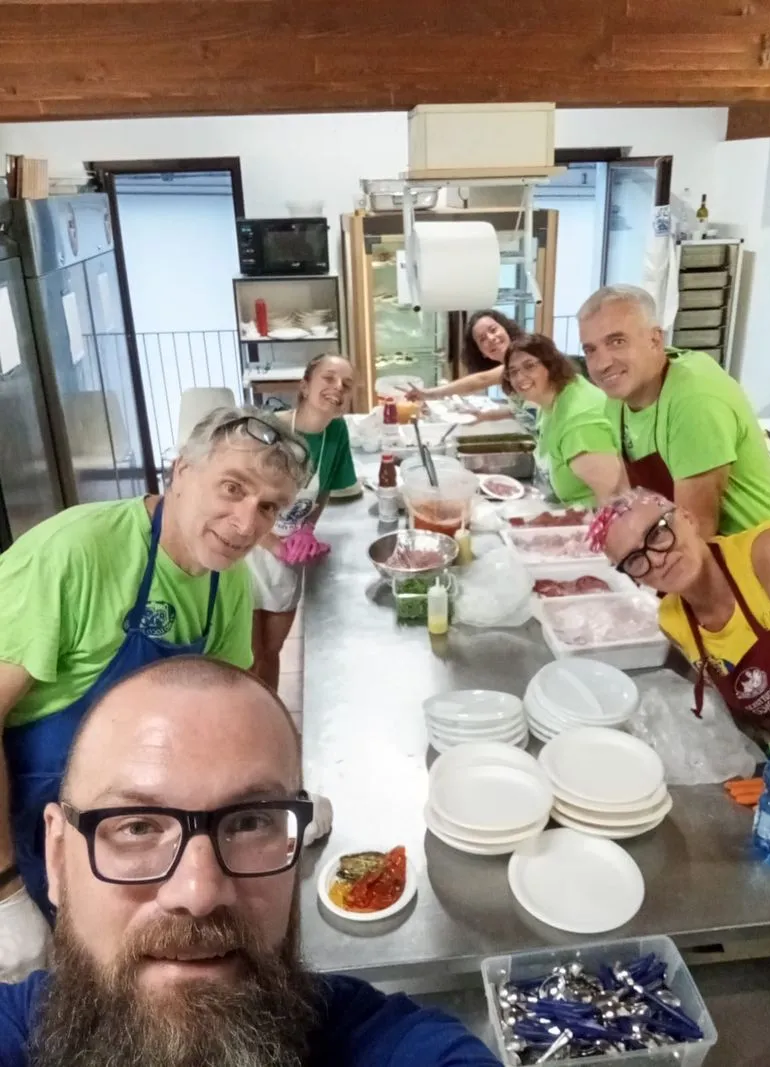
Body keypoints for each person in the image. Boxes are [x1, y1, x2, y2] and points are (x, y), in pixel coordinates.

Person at [0, 655, 502, 1067]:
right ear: (58, 857)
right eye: (137, 827)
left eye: (249, 823)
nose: (199, 893)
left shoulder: (391, 1046)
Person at [0, 407, 308, 961]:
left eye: (268, 507)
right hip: (22, 828)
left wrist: (274, 797)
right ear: (181, 471)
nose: (245, 524)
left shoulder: (226, 581)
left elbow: (224, 719)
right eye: (232, 488)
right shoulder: (76, 554)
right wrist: (4, 891)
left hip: (129, 834)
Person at [578, 284, 770, 538]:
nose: (602, 364)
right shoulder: (619, 397)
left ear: (655, 340)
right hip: (699, 548)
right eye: (590, 350)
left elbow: (696, 530)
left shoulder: (694, 399)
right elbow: (625, 499)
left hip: (769, 552)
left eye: (617, 342)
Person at [590, 488, 770, 746]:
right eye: (634, 560)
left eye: (657, 533)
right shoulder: (674, 622)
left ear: (688, 518)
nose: (656, 560)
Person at [247, 354, 357, 690]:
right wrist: (273, 544)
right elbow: (242, 503)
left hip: (287, 556)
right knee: (248, 655)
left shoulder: (336, 431)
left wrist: (307, 527)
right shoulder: (269, 431)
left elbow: (324, 488)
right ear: (305, 386)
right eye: (329, 378)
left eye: (346, 384)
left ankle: (272, 712)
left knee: (272, 650)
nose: (338, 388)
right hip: (247, 551)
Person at [503, 335, 627, 507]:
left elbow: (614, 499)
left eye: (529, 366)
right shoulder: (553, 398)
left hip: (593, 518)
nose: (520, 378)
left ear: (551, 364)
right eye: (513, 372)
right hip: (572, 510)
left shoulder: (579, 424)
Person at [406, 309, 538, 431]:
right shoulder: (509, 377)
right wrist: (483, 416)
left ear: (506, 330)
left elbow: (481, 380)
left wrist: (429, 394)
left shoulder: (525, 357)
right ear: (482, 353)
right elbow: (519, 411)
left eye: (493, 330)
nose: (491, 338)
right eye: (482, 339)